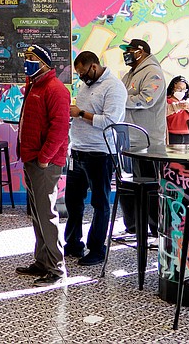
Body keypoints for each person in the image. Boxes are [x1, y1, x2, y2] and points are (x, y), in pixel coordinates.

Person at [65, 51, 127, 266]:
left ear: (93, 66)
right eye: (79, 75)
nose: (81, 78)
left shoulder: (114, 87)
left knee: (99, 202)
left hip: (100, 153)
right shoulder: (87, 85)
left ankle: (97, 249)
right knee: (73, 201)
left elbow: (111, 120)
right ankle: (73, 243)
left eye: (83, 73)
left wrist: (80, 114)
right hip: (78, 151)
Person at [16, 44, 70, 286]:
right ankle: (42, 260)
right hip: (32, 158)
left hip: (44, 162)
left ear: (44, 63)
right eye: (26, 58)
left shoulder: (55, 89)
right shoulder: (35, 86)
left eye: (31, 58)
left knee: (47, 214)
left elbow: (59, 129)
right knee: (37, 213)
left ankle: (56, 267)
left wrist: (45, 158)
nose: (27, 62)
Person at [119, 39, 166, 236]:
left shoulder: (153, 72)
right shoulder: (132, 74)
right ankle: (134, 227)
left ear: (140, 52)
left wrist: (120, 100)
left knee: (151, 188)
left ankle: (156, 230)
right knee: (131, 187)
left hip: (148, 141)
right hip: (131, 139)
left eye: (129, 50)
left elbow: (147, 100)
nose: (126, 54)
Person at [166, 76, 189, 145]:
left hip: (188, 136)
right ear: (172, 88)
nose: (181, 92)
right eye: (179, 88)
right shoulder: (167, 101)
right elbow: (162, 113)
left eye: (184, 89)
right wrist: (177, 106)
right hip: (172, 135)